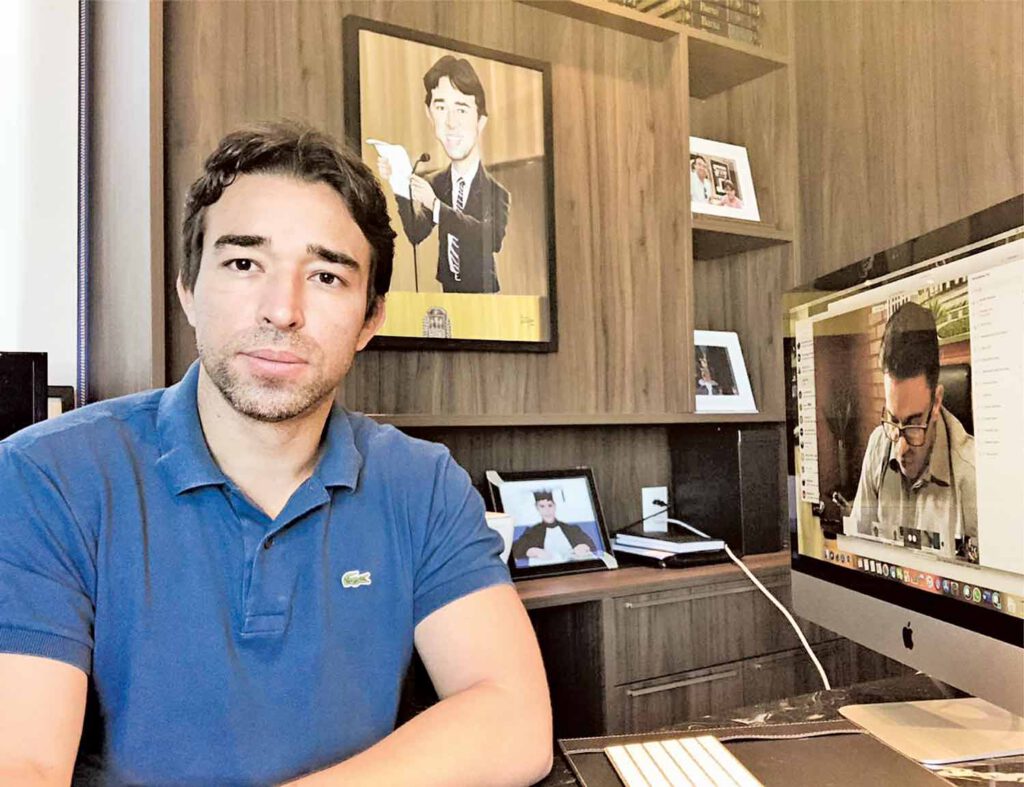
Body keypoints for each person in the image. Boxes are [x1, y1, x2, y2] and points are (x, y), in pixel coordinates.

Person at [0, 122, 552, 785]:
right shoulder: (46, 478)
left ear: (370, 318)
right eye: (243, 264)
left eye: (326, 276)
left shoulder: (422, 483)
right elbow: (22, 762)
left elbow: (513, 718)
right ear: (188, 290)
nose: (282, 310)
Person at [846, 301, 978, 563]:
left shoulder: (974, 475)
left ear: (936, 402)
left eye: (914, 422)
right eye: (893, 420)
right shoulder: (879, 443)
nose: (900, 448)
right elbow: (858, 548)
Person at [380, 54, 510, 294]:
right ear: (429, 114)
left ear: (480, 121)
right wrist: (399, 184)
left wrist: (436, 205)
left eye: (461, 109)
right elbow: (416, 233)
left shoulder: (496, 192)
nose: (450, 122)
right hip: (447, 291)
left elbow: (491, 239)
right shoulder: (437, 182)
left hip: (486, 299)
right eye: (441, 108)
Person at [511, 490, 596, 564]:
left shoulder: (571, 529)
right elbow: (515, 550)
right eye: (542, 506)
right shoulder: (532, 532)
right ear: (537, 508)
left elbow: (591, 544)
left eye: (550, 505)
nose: (547, 510)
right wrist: (531, 551)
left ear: (555, 506)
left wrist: (583, 546)